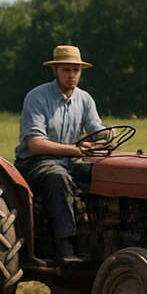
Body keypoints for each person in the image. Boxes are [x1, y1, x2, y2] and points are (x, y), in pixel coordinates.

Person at [14, 45, 107, 261]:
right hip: (35, 163)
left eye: (76, 70)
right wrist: (75, 150)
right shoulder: (37, 98)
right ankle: (65, 247)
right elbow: (36, 144)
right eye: (67, 69)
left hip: (70, 160)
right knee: (58, 177)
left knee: (101, 172)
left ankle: (99, 237)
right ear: (55, 70)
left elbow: (96, 130)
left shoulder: (85, 99)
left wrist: (107, 136)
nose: (72, 75)